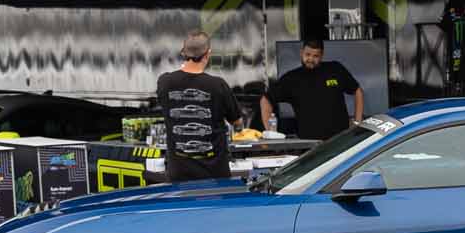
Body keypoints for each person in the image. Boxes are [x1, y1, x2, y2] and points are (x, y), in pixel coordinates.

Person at [150, 30, 243, 182]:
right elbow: (237, 122)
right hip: (215, 174)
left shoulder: (165, 82)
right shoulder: (218, 85)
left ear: (183, 53)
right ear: (208, 54)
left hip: (179, 172)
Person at [260, 38, 363, 141]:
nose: (310, 59)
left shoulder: (335, 69)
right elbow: (265, 100)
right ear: (301, 53)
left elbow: (357, 90)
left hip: (340, 142)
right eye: (307, 54)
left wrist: (357, 123)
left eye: (315, 56)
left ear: (322, 56)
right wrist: (270, 132)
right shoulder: (292, 79)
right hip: (310, 145)